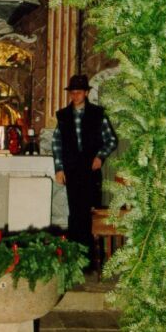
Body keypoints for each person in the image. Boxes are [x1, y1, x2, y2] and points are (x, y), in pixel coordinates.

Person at [52, 74, 118, 255]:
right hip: (72, 172)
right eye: (72, 93)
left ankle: (90, 258)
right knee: (75, 214)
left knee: (91, 214)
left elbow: (111, 140)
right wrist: (59, 169)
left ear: (86, 93)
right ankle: (75, 256)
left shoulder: (98, 114)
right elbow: (57, 144)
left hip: (91, 171)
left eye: (79, 92)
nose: (75, 96)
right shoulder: (63, 116)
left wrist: (100, 157)